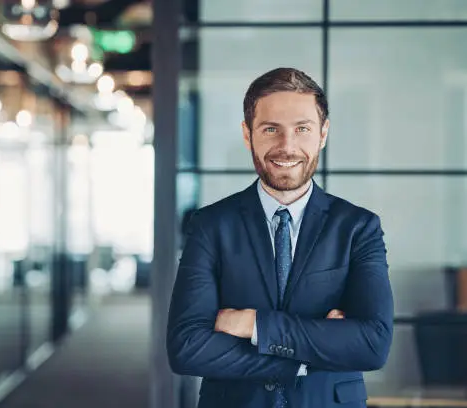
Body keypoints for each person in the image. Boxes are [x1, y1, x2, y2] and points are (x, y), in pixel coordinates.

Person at [166, 67, 394, 408]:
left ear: (323, 133)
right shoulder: (210, 225)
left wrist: (253, 324)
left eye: (302, 129)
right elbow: (187, 348)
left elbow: (373, 345)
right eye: (271, 129)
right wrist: (308, 357)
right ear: (248, 134)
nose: (287, 147)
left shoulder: (358, 228)